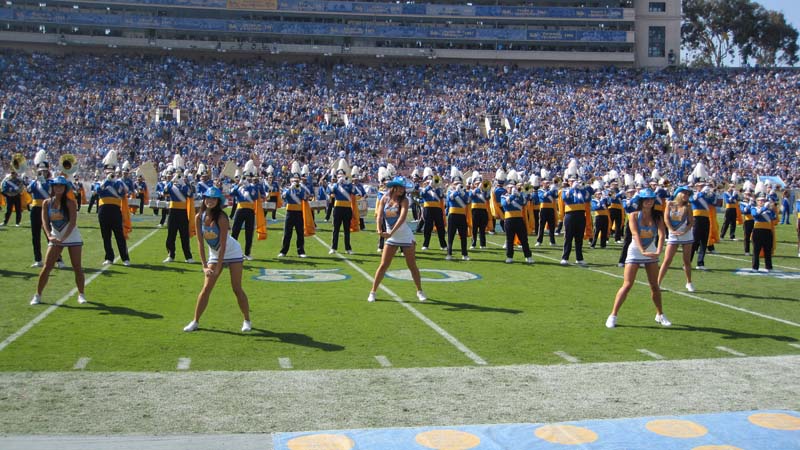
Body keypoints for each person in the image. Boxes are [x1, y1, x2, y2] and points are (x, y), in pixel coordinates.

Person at [183, 187, 251, 332]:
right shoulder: (198, 217)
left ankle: (247, 320)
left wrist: (218, 267)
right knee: (206, 288)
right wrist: (204, 266)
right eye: (208, 198)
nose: (210, 201)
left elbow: (224, 244)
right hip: (214, 254)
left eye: (214, 199)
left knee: (236, 288)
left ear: (218, 201)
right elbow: (200, 244)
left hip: (232, 252)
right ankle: (195, 321)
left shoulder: (221, 218)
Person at [606, 188, 669, 328]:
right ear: (641, 201)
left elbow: (662, 234)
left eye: (651, 199)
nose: (649, 202)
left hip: (651, 249)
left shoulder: (658, 216)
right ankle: (613, 315)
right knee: (627, 284)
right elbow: (634, 234)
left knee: (654, 285)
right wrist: (642, 251)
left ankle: (660, 314)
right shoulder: (634, 215)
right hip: (635, 249)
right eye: (646, 199)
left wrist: (658, 251)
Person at [368, 176, 426, 303]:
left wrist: (391, 232)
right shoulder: (385, 198)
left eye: (403, 187)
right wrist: (379, 229)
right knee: (383, 265)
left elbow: (402, 218)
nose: (402, 189)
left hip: (404, 235)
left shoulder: (404, 200)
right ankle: (373, 291)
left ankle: (419, 291)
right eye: (399, 187)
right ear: (394, 187)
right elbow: (379, 216)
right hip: (391, 237)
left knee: (412, 265)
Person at [30, 176, 87, 306]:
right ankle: (37, 295)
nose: (58, 188)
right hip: (56, 235)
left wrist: (63, 238)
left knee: (77, 267)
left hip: (71, 236)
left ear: (65, 188)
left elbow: (72, 223)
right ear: (53, 187)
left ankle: (81, 294)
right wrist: (49, 235)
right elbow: (44, 221)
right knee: (47, 266)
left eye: (61, 186)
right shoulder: (46, 203)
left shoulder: (70, 203)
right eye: (56, 185)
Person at [657, 186, 695, 292]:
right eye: (685, 193)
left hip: (686, 235)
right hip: (673, 235)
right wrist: (671, 230)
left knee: (686, 260)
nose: (687, 196)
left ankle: (689, 282)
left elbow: (691, 222)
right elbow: (666, 218)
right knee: (667, 260)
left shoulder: (688, 206)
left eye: (688, 194)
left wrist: (685, 231)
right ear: (679, 194)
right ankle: (658, 283)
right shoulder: (670, 204)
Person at [277, 172, 307, 258]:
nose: (295, 182)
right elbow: (283, 197)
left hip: (298, 212)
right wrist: (290, 188)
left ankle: (301, 251)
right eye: (294, 180)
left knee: (300, 233)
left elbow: (304, 198)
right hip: (289, 212)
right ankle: (283, 251)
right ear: (290, 181)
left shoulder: (301, 189)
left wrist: (299, 189)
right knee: (287, 233)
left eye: (297, 181)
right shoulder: (287, 189)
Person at [750, 193, 776, 272]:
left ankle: (768, 267)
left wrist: (772, 209)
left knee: (768, 249)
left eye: (763, 200)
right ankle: (755, 267)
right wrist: (764, 208)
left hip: (767, 231)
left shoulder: (768, 210)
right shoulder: (754, 208)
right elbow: (755, 215)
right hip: (758, 231)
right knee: (756, 250)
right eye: (760, 200)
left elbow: (773, 217)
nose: (761, 202)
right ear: (757, 201)